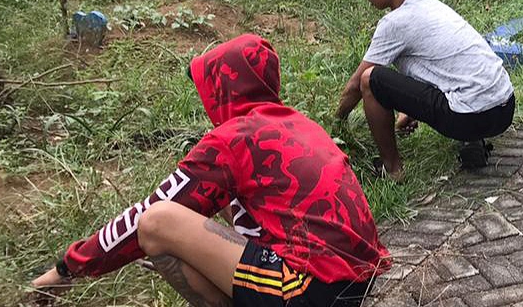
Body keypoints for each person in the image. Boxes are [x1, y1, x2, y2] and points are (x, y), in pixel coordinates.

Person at [30, 34, 390, 306]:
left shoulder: (234, 138)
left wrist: (66, 268)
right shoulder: (296, 124)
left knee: (158, 223)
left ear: (224, 88)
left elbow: (147, 212)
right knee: (214, 201)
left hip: (310, 289)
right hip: (355, 281)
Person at [337, 0, 515, 180]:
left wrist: (335, 123)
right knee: (461, 80)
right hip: (504, 107)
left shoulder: (394, 23)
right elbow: (439, 66)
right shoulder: (432, 6)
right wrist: (412, 109)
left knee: (371, 79)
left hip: (472, 116)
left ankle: (392, 170)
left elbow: (355, 86)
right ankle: (472, 142)